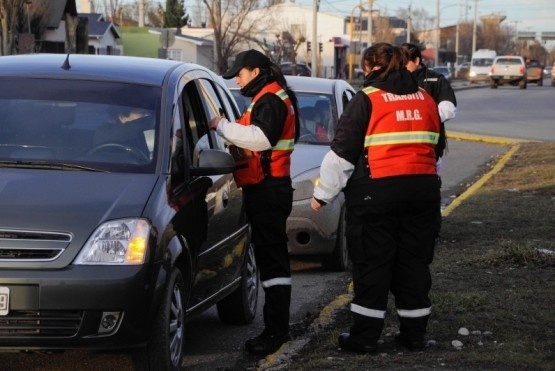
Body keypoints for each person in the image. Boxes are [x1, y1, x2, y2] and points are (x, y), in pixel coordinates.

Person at [310, 43, 442, 354]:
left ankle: (365, 337)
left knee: (372, 265)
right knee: (414, 264)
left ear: (370, 67)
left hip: (376, 195)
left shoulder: (366, 100)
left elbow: (342, 155)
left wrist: (321, 196)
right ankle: (414, 335)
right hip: (422, 193)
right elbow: (437, 146)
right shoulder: (425, 99)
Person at [208, 49, 300, 356]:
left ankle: (276, 332)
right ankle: (277, 328)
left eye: (240, 73)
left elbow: (259, 139)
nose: (237, 79)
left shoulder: (272, 99)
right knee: (270, 261)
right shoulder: (269, 97)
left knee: (273, 264)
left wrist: (220, 125)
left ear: (256, 72)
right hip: (267, 188)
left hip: (269, 190)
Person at [400, 42, 457, 174]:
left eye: (404, 63)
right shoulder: (394, 81)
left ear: (416, 60)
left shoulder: (436, 80)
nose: (400, 67)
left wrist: (420, 118)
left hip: (430, 148)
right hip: (401, 148)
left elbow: (448, 109)